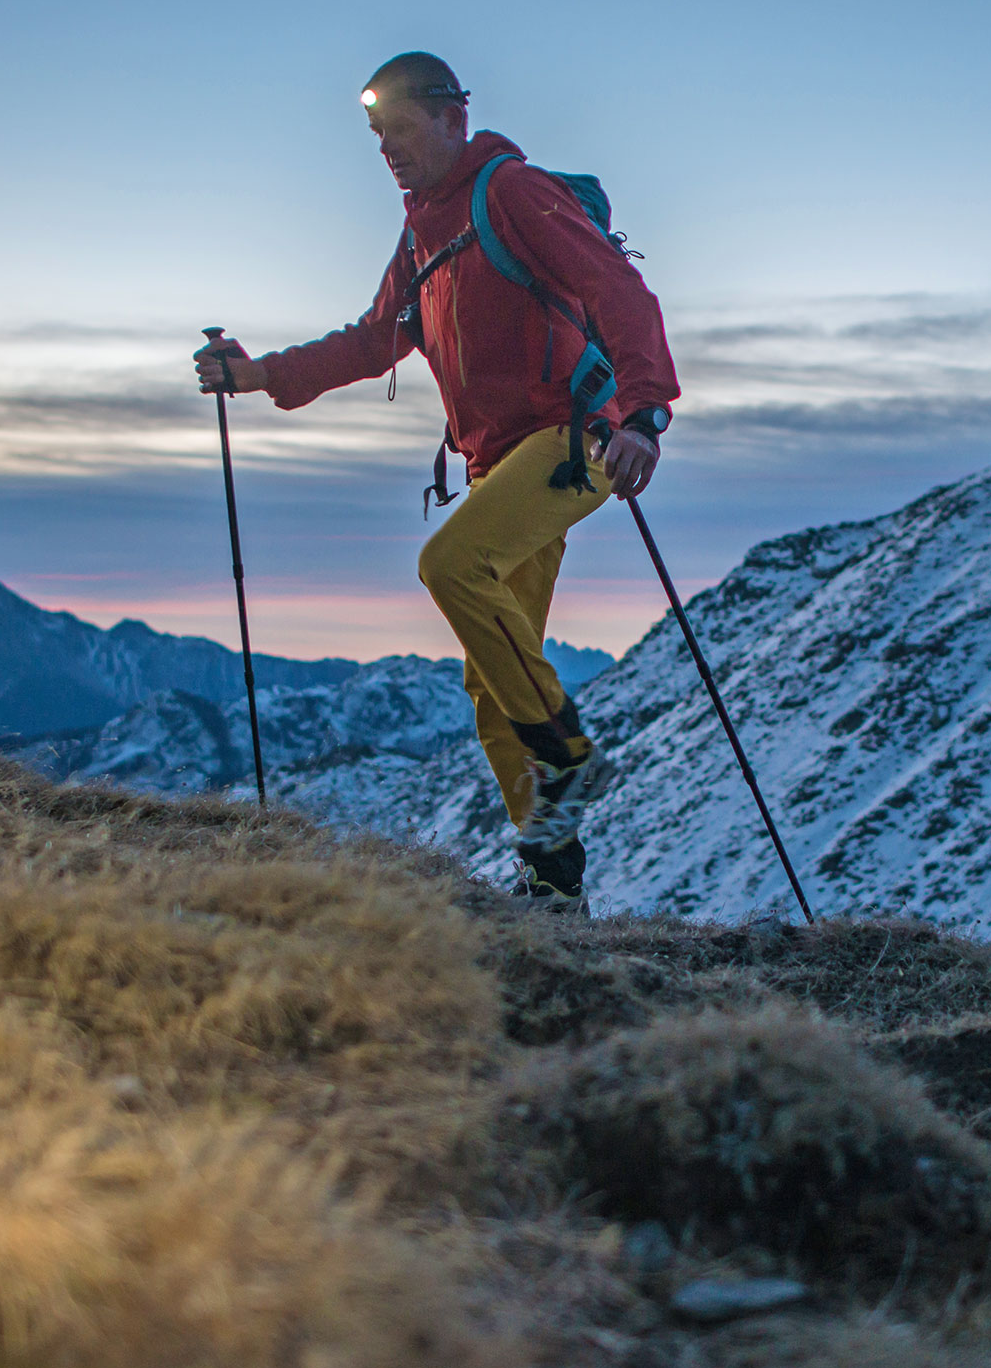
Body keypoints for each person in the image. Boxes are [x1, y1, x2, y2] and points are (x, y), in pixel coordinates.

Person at [195, 53, 680, 907]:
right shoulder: (423, 231)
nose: (385, 148)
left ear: (453, 117)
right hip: (500, 464)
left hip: (575, 442)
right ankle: (555, 885)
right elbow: (374, 337)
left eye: (398, 129)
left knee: (450, 566)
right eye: (376, 135)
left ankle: (568, 757)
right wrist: (258, 374)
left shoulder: (512, 192)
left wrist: (644, 414)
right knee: (493, 687)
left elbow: (618, 290)